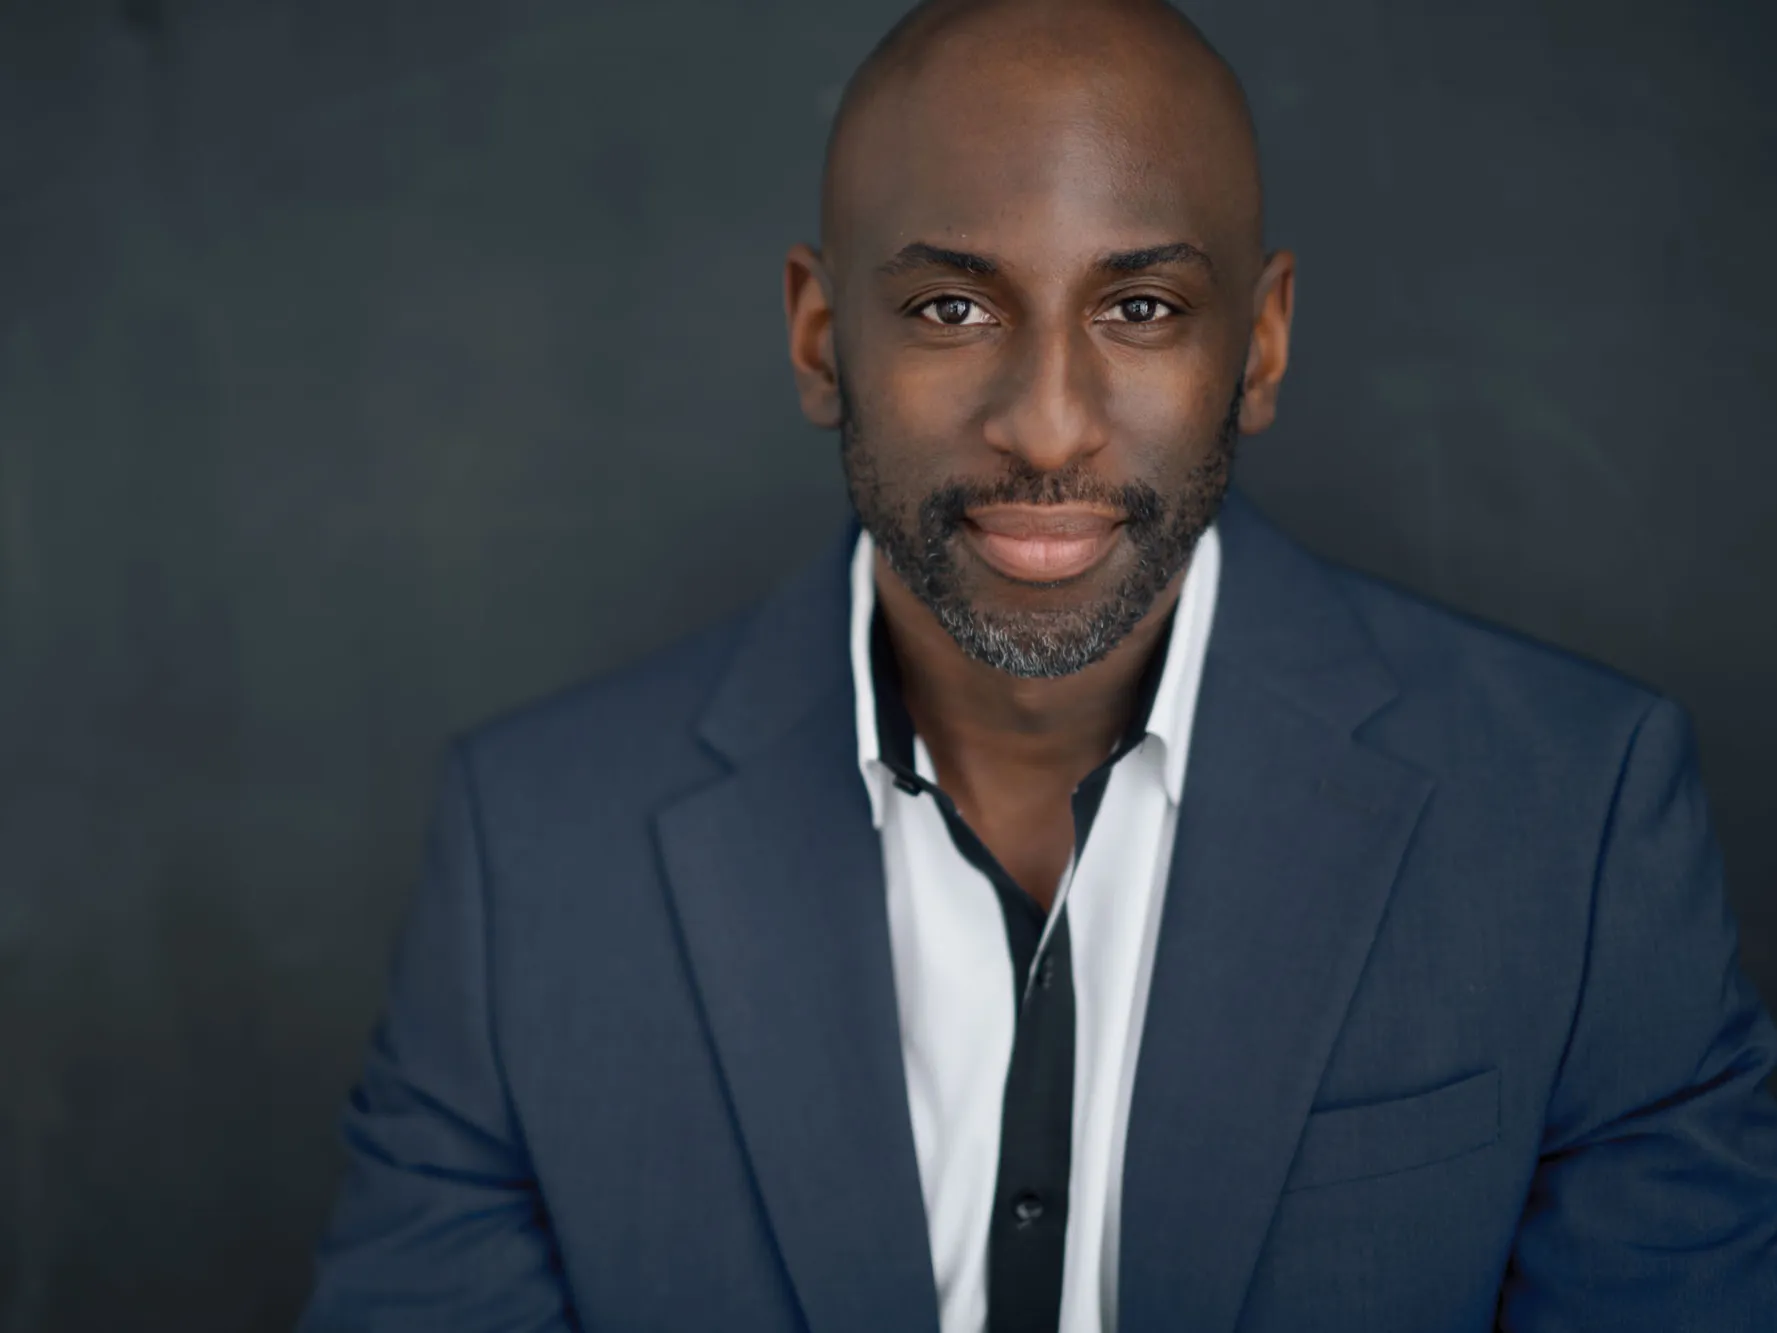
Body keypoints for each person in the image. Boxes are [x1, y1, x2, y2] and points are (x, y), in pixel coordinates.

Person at [298, 1, 1777, 1329]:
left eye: (1141, 310)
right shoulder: (538, 853)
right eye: (952, 307)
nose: (1051, 425)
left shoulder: (1572, 821)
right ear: (822, 339)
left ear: (1257, 347)